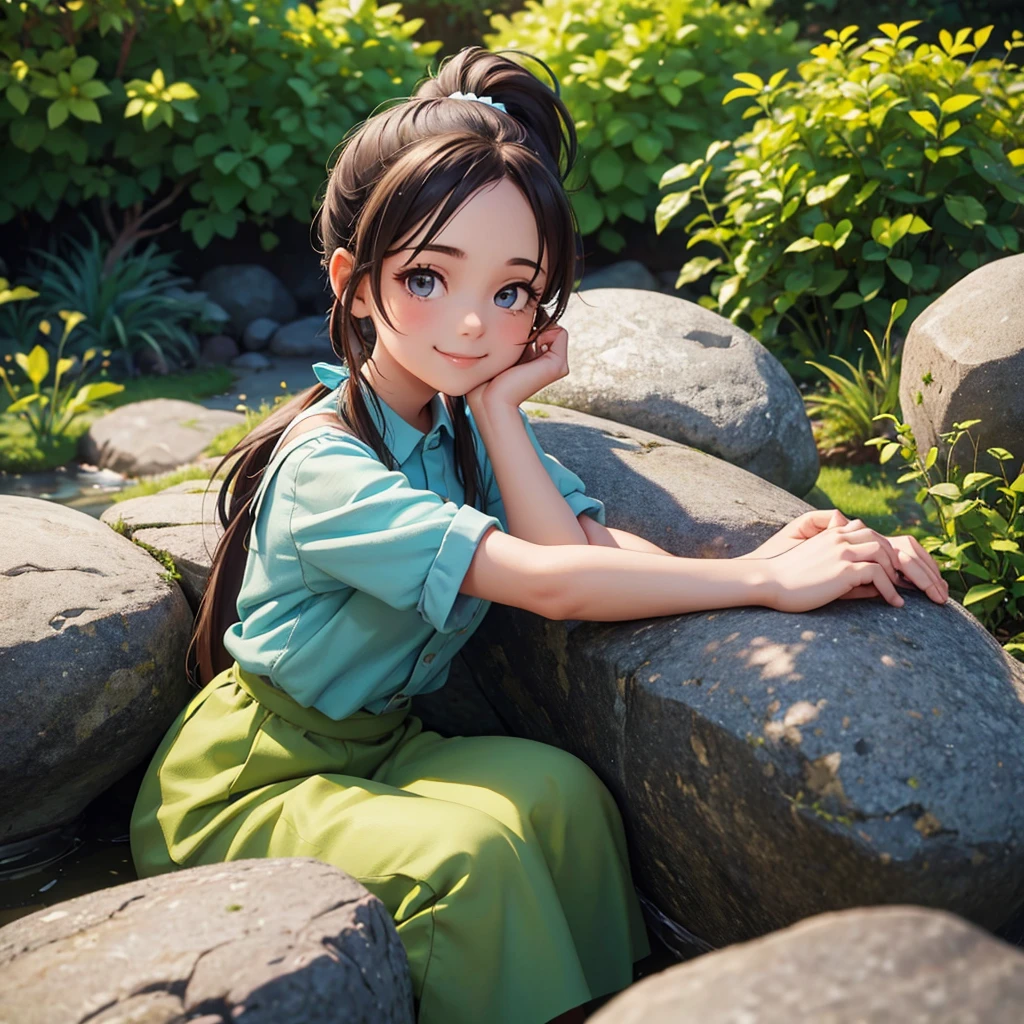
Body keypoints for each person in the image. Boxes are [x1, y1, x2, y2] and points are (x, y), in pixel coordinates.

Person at [129, 45, 950, 1024]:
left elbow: (585, 551)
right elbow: (547, 583)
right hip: (251, 779)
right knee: (473, 860)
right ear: (352, 280)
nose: (474, 324)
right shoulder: (327, 468)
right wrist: (765, 589)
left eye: (512, 291)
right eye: (429, 277)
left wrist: (765, 553)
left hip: (382, 747)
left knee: (562, 798)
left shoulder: (460, 420)